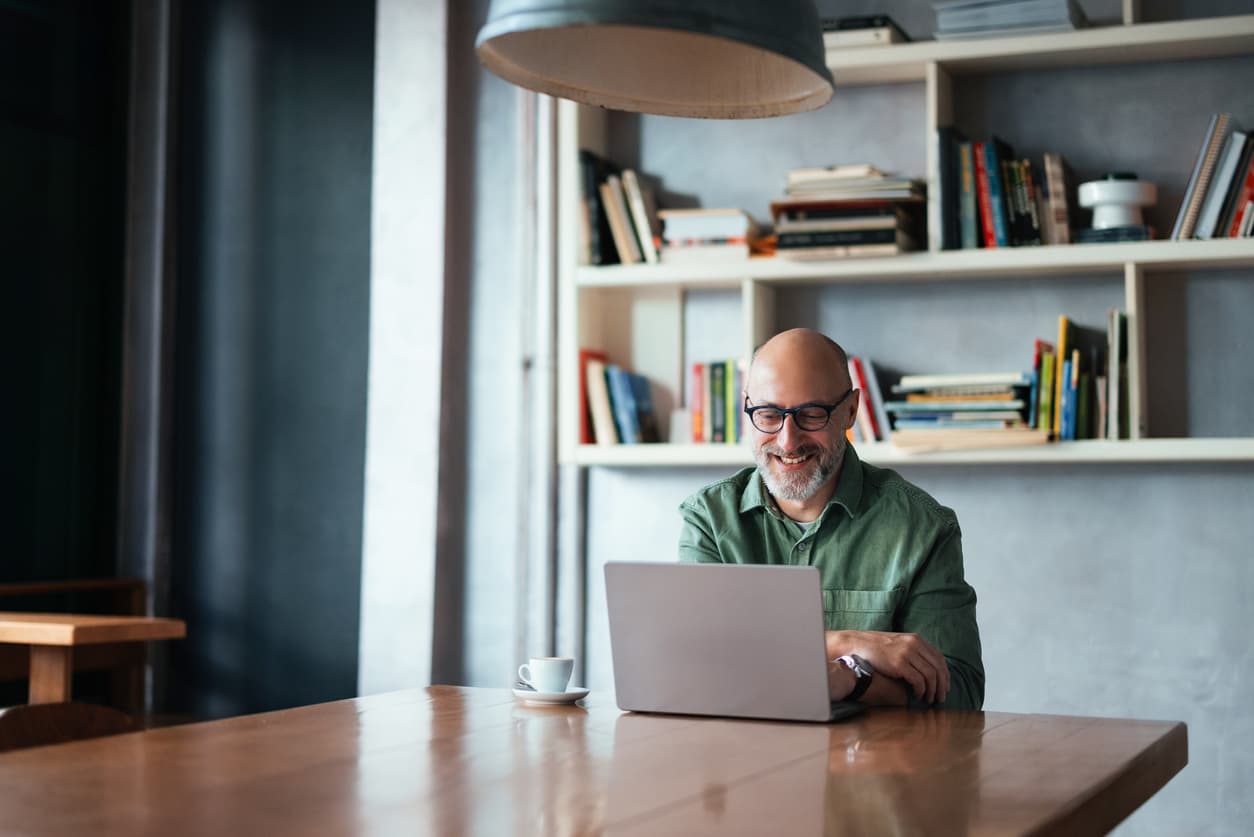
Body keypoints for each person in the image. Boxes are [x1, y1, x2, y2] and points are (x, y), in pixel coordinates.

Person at [678, 328, 984, 709]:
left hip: (881, 763)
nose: (788, 441)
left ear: (851, 410)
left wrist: (850, 683)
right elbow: (698, 661)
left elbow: (959, 694)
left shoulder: (923, 527)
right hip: (741, 757)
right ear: (747, 408)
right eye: (769, 414)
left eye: (811, 414)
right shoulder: (707, 519)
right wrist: (848, 643)